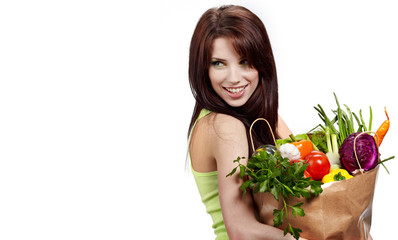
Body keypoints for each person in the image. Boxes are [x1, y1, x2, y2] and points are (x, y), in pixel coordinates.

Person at [187, 5, 307, 240]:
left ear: (262, 63)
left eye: (244, 61)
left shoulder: (262, 117)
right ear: (202, 68)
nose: (234, 78)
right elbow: (241, 231)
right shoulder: (224, 126)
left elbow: (309, 174)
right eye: (218, 63)